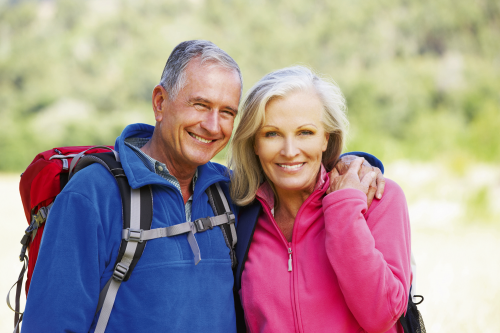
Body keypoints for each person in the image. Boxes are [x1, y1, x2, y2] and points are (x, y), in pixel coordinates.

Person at [21, 40, 384, 332]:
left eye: (227, 112)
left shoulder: (230, 191)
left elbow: (294, 165)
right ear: (160, 103)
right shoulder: (94, 195)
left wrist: (355, 162)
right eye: (200, 105)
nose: (213, 125)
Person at [230, 66, 411, 332]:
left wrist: (344, 210)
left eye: (305, 132)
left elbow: (382, 315)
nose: (290, 151)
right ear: (254, 143)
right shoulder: (237, 213)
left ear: (326, 138)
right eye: (272, 134)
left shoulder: (380, 198)